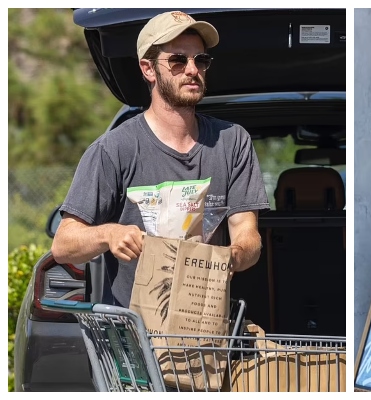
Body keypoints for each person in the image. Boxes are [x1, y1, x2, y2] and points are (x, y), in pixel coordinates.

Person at [51, 11, 270, 308]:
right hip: (136, 339)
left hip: (207, 331)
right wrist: (109, 233)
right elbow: (63, 245)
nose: (192, 69)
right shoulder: (114, 149)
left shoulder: (233, 141)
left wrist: (232, 257)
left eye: (200, 60)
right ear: (148, 69)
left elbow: (249, 236)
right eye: (178, 60)